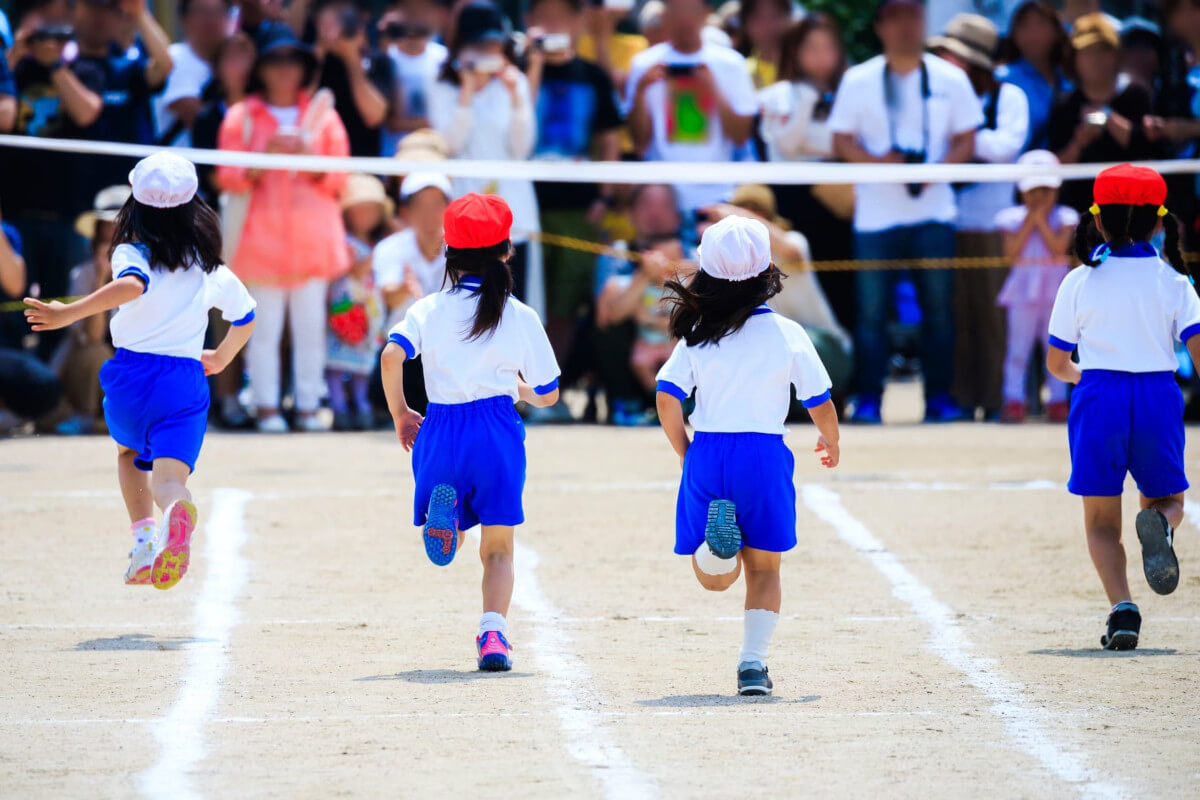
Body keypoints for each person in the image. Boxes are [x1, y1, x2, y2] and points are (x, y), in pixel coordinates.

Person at [22, 152, 256, 590]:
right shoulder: (208, 264)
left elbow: (134, 284)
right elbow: (245, 317)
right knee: (170, 480)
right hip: (186, 380)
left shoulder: (130, 249)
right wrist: (222, 357)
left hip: (134, 375)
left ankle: (145, 543)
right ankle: (174, 514)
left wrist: (68, 313)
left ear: (135, 205)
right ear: (195, 208)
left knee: (130, 455)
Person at [654, 215, 840, 696]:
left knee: (714, 580)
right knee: (765, 569)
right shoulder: (788, 333)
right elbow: (818, 399)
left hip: (710, 451)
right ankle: (752, 666)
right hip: (763, 453)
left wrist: (685, 449)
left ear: (706, 274)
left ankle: (715, 551)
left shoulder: (695, 333)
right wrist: (831, 439)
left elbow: (667, 395)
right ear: (768, 272)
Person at [379, 193, 561, 672]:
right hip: (496, 429)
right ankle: (492, 634)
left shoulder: (428, 309)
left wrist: (400, 412)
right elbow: (549, 392)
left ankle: (450, 517)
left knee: (454, 524)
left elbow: (391, 355)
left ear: (448, 252)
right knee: (498, 549)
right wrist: (516, 388)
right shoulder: (520, 315)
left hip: (440, 426)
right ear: (507, 252)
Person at [1045, 164, 1198, 651]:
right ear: (1160, 222)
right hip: (1157, 396)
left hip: (1098, 397)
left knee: (1102, 524)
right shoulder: (1175, 282)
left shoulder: (1078, 281)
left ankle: (1123, 608)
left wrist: (1083, 374)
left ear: (1098, 220)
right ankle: (1163, 525)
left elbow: (1056, 362)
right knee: (1166, 500)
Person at [829, 0, 981, 424]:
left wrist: (936, 172)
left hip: (934, 209)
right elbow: (842, 138)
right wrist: (880, 166)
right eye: (895, 16)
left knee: (938, 311)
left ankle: (939, 399)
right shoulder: (858, 79)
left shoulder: (952, 78)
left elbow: (966, 137)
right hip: (876, 214)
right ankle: (870, 399)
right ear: (879, 26)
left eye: (913, 15)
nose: (905, 25)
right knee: (872, 315)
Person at [216, 25, 350, 433]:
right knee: (263, 331)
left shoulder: (324, 117)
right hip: (260, 242)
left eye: (293, 61)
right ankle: (267, 407)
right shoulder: (241, 116)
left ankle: (309, 405)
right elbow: (228, 176)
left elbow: (339, 180)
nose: (284, 70)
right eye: (275, 60)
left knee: (311, 329)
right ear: (262, 68)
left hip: (312, 241)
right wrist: (264, 155)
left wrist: (308, 154)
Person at [929, 13, 1029, 422]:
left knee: (996, 319)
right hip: (950, 221)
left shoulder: (1009, 96)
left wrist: (964, 139)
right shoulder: (939, 98)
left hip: (996, 225)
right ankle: (963, 398)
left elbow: (1006, 147)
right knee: (958, 317)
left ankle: (1000, 398)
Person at [525, 0, 623, 367]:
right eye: (544, 15)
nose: (553, 23)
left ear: (578, 21)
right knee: (522, 296)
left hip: (580, 206)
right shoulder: (517, 71)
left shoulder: (594, 76)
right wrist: (530, 63)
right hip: (524, 202)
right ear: (529, 21)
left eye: (562, 15)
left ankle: (550, 386)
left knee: (567, 301)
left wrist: (605, 197)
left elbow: (609, 140)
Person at [428, 2, 541, 312]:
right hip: (466, 205)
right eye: (481, 44)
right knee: (467, 302)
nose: (490, 51)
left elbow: (522, 148)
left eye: (495, 43)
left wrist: (517, 97)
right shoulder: (443, 85)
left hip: (514, 206)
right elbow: (449, 144)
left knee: (515, 302)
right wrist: (467, 91)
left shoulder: (513, 82)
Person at [758, 14, 856, 339]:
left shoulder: (853, 89)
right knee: (796, 284)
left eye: (827, 47)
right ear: (795, 51)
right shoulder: (779, 94)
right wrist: (807, 101)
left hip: (841, 207)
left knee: (843, 286)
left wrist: (815, 143)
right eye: (811, 47)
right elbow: (785, 144)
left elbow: (851, 142)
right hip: (794, 207)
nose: (820, 56)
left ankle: (845, 377)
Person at [624, 0, 758, 213]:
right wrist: (641, 90)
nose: (684, 18)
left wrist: (712, 88)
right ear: (663, 14)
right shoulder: (643, 64)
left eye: (691, 9)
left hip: (720, 195)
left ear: (706, 13)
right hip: (661, 199)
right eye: (675, 9)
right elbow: (639, 143)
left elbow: (741, 136)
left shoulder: (731, 64)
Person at [1049, 14, 1165, 214]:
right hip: (1080, 214)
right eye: (1087, 52)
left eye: (1104, 50)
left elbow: (1150, 151)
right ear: (1074, 57)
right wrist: (1079, 141)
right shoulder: (1064, 104)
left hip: (1133, 212)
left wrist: (1108, 118)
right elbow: (1053, 168)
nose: (1096, 60)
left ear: (1117, 55)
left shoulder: (1137, 95)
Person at [994, 150, 1076, 424]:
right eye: (1034, 190)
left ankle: (1058, 400)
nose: (1039, 196)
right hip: (1022, 294)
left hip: (1056, 295)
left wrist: (1040, 219)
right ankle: (1014, 399)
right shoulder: (1011, 218)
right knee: (1018, 349)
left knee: (1057, 348)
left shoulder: (1065, 217)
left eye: (1046, 190)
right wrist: (1032, 219)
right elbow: (1011, 253)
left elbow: (1058, 249)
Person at [371, 171, 452, 415]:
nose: (429, 214)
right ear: (406, 211)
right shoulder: (390, 248)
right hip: (404, 351)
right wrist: (405, 287)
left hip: (450, 350)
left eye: (436, 205)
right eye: (420, 205)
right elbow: (388, 296)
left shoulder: (464, 249)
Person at [328, 175, 390, 431]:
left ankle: (361, 404)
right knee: (336, 360)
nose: (366, 214)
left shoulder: (377, 243)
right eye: (359, 208)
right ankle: (339, 406)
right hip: (345, 308)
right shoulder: (343, 242)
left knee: (363, 364)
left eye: (372, 209)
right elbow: (352, 272)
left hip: (369, 310)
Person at [313, 0, 394, 156]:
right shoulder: (306, 61)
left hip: (361, 165)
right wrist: (318, 56)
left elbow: (373, 116)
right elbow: (299, 107)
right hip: (316, 165)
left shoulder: (378, 61)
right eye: (330, 24)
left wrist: (352, 59)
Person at [995, 1, 1072, 151]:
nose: (1032, 34)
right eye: (1024, 26)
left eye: (1040, 24)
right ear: (1013, 34)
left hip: (1067, 169)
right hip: (1018, 170)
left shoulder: (1071, 78)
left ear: (1056, 31)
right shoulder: (1001, 79)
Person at [153, 0, 231, 147]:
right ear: (183, 19)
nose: (211, 20)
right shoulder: (174, 58)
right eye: (201, 12)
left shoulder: (234, 59)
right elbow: (201, 123)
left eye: (218, 12)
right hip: (180, 164)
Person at [378, 2, 448, 155]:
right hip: (393, 154)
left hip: (434, 152)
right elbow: (389, 121)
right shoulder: (385, 58)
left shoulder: (443, 59)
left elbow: (443, 118)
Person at [736, 0, 792, 89]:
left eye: (775, 16)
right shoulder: (740, 73)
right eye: (759, 17)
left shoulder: (805, 68)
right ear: (746, 25)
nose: (769, 26)